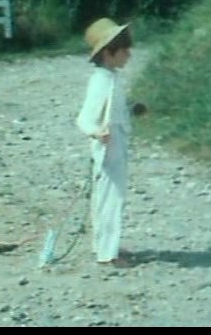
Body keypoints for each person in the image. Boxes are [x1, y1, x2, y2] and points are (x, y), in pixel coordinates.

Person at [76, 18, 135, 267]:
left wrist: (132, 110)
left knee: (108, 196)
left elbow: (114, 109)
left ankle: (104, 245)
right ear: (108, 53)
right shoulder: (101, 81)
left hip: (117, 143)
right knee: (110, 198)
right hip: (108, 147)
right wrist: (96, 132)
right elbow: (84, 118)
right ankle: (107, 254)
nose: (129, 55)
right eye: (124, 50)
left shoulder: (110, 77)